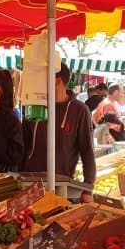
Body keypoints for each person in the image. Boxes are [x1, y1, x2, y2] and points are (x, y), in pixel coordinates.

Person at [21, 64, 96, 201]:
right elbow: (24, 143)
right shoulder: (34, 107)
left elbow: (87, 150)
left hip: (61, 185)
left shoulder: (79, 110)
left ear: (56, 81)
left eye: (41, 79)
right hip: (29, 183)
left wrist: (88, 188)